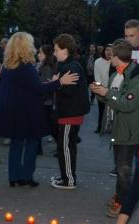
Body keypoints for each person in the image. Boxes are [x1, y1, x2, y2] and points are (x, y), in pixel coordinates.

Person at [0, 32, 77, 188]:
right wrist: (59, 82)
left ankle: (13, 177)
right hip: (27, 111)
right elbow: (38, 89)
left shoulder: (8, 65)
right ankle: (26, 176)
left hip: (13, 110)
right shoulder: (26, 67)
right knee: (32, 142)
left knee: (16, 143)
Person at [90, 39, 139, 217]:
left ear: (117, 57)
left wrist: (107, 93)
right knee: (119, 166)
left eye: (111, 54)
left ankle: (124, 205)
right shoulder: (117, 73)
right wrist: (99, 91)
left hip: (130, 130)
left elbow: (126, 104)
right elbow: (111, 98)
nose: (109, 56)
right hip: (118, 127)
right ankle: (120, 196)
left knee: (124, 170)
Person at [50, 34, 90, 190]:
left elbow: (68, 91)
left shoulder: (70, 67)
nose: (54, 53)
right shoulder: (70, 65)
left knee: (65, 147)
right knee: (67, 146)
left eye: (56, 50)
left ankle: (68, 180)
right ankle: (67, 175)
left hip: (70, 113)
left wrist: (55, 83)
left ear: (65, 49)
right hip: (70, 112)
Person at [37, 44, 57, 142]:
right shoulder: (42, 65)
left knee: (49, 125)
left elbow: (45, 86)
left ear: (46, 55)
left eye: (40, 53)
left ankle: (61, 143)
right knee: (45, 125)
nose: (38, 55)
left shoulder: (46, 68)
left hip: (45, 101)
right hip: (45, 101)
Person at [93, 44, 113, 133]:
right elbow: (97, 77)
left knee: (113, 110)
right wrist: (101, 88)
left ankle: (112, 127)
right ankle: (100, 126)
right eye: (107, 50)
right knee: (101, 109)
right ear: (103, 51)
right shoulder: (98, 61)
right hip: (101, 89)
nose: (108, 52)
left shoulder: (115, 61)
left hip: (113, 91)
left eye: (110, 50)